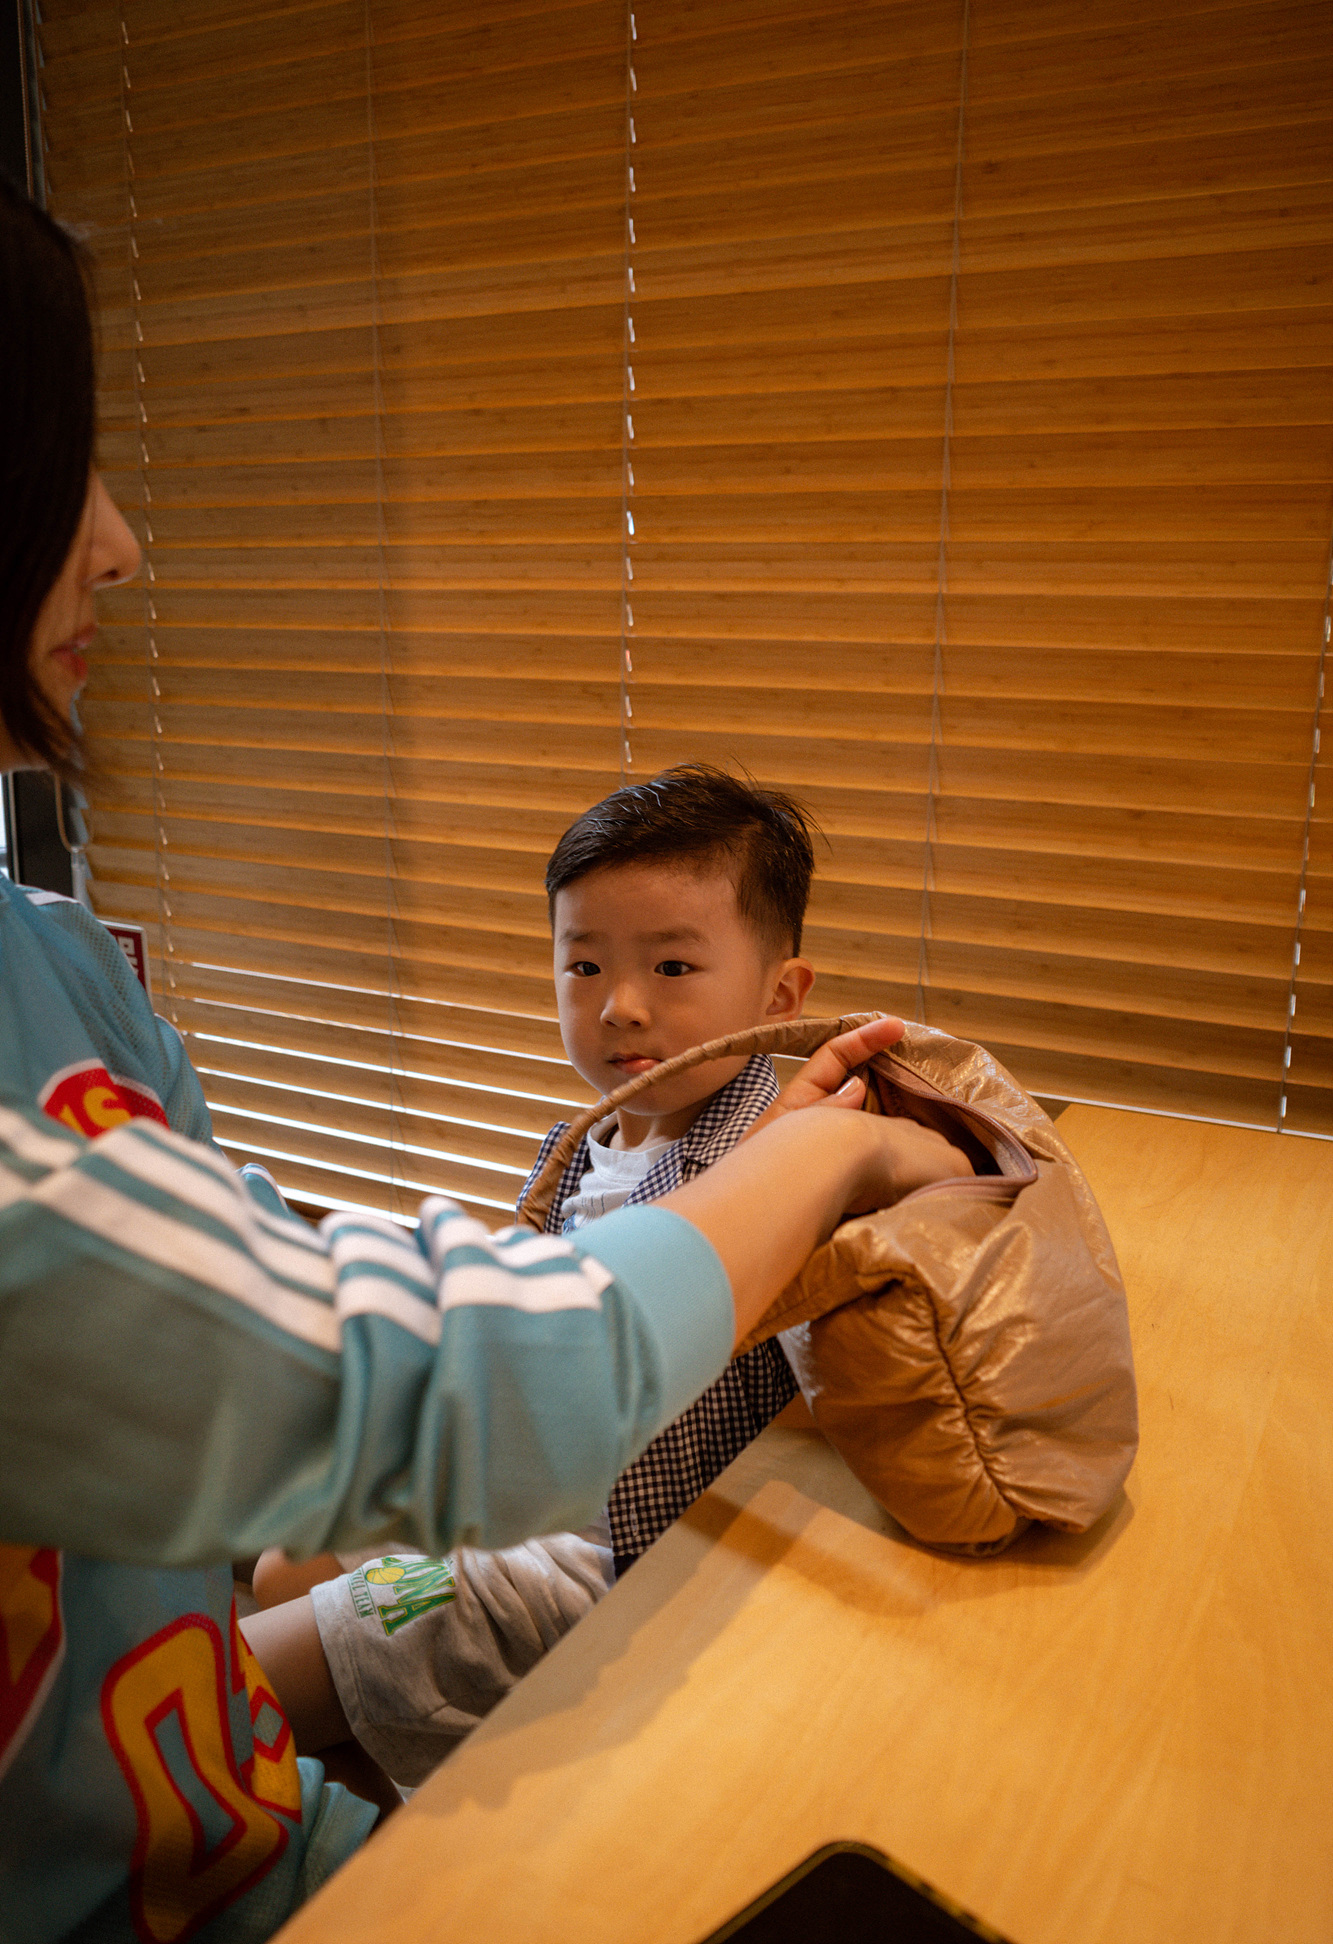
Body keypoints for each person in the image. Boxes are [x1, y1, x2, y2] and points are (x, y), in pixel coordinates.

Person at [0, 176, 971, 1941]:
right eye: (65, 466)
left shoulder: (58, 964)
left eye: (670, 968)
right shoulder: (632, 1141)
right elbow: (432, 1364)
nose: (122, 544)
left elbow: (303, 1320)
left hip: (294, 1752)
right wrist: (827, 1152)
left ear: (781, 981)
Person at [245, 767, 865, 1786]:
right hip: (523, 1478)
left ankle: (375, 1809)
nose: (621, 1007)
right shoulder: (582, 1141)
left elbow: (828, 1386)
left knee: (250, 1683)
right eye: (584, 966)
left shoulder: (776, 1152)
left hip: (603, 1550)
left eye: (672, 965)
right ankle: (385, 1789)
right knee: (283, 1565)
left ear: (779, 994)